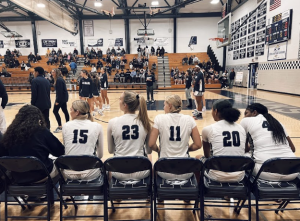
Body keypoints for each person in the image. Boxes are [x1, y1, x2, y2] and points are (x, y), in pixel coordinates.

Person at [0, 105, 65, 183]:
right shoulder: (42, 132)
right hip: (41, 176)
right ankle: (58, 193)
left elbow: (3, 156)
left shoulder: (9, 133)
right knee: (60, 164)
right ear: (38, 118)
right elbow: (60, 152)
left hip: (17, 176)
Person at [149, 95, 202, 180]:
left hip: (164, 170)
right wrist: (185, 148)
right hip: (185, 171)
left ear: (169, 106)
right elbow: (198, 145)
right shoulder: (189, 119)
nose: (163, 108)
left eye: (164, 105)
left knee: (154, 163)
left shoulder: (159, 118)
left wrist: (159, 150)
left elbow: (151, 144)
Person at [240, 103, 298, 181]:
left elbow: (243, 149)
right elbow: (292, 148)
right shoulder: (278, 123)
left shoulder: (246, 121)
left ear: (254, 112)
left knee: (243, 157)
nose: (244, 116)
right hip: (292, 172)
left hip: (266, 172)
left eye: (246, 113)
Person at [107, 91, 152, 180]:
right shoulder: (145, 122)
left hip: (119, 171)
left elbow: (111, 150)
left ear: (125, 105)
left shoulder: (112, 122)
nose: (118, 100)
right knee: (150, 158)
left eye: (120, 99)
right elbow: (149, 150)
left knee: (105, 162)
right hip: (140, 171)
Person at [200, 99, 246, 182]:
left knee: (198, 158)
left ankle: (202, 191)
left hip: (217, 175)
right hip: (239, 175)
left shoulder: (208, 129)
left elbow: (207, 155)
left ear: (216, 111)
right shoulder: (241, 128)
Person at [62, 100, 103, 180]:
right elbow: (100, 155)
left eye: (71, 110)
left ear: (77, 112)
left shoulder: (66, 126)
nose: (70, 112)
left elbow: (66, 150)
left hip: (69, 172)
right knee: (104, 162)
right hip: (90, 173)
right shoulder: (97, 126)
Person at [52, 69, 69, 133]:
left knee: (55, 111)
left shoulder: (59, 80)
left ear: (56, 73)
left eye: (53, 72)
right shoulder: (60, 79)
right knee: (65, 111)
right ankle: (67, 125)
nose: (52, 73)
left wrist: (57, 101)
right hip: (63, 98)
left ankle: (60, 127)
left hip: (61, 99)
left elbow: (60, 92)